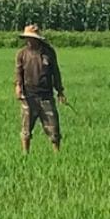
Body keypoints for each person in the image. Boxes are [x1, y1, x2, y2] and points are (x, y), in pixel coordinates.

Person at [15, 24, 65, 153]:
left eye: (31, 38)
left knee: (53, 129)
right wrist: (18, 86)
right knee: (26, 129)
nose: (29, 40)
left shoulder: (48, 52)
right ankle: (25, 154)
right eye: (27, 38)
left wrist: (60, 91)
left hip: (46, 96)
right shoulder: (22, 54)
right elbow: (18, 72)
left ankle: (57, 154)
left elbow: (55, 72)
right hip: (28, 97)